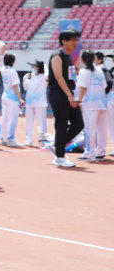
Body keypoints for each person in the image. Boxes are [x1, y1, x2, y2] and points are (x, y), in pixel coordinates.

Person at [48, 29, 83, 168]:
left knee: (78, 123)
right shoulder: (57, 56)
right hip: (58, 94)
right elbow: (58, 77)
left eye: (77, 40)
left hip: (68, 94)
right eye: (73, 40)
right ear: (64, 41)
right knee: (61, 124)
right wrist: (70, 96)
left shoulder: (68, 57)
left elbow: (70, 78)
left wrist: (73, 95)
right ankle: (60, 157)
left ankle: (56, 145)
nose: (76, 43)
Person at [75, 51, 107, 162]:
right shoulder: (99, 70)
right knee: (101, 129)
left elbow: (82, 88)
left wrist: (79, 101)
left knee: (89, 129)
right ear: (93, 59)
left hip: (90, 104)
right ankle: (100, 152)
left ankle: (89, 153)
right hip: (102, 103)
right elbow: (104, 86)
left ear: (83, 60)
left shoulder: (84, 71)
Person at [0, 53, 24, 147]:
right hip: (13, 98)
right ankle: (11, 139)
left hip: (5, 96)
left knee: (4, 118)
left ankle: (3, 138)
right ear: (13, 61)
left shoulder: (3, 69)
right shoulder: (13, 71)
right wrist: (20, 99)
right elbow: (15, 86)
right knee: (12, 119)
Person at [22, 60, 49, 147]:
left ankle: (42, 141)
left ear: (38, 68)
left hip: (40, 103)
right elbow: (25, 88)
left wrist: (45, 66)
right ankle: (28, 140)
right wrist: (26, 79)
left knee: (41, 123)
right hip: (29, 103)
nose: (32, 68)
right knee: (29, 122)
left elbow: (48, 75)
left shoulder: (44, 77)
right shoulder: (29, 76)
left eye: (34, 66)